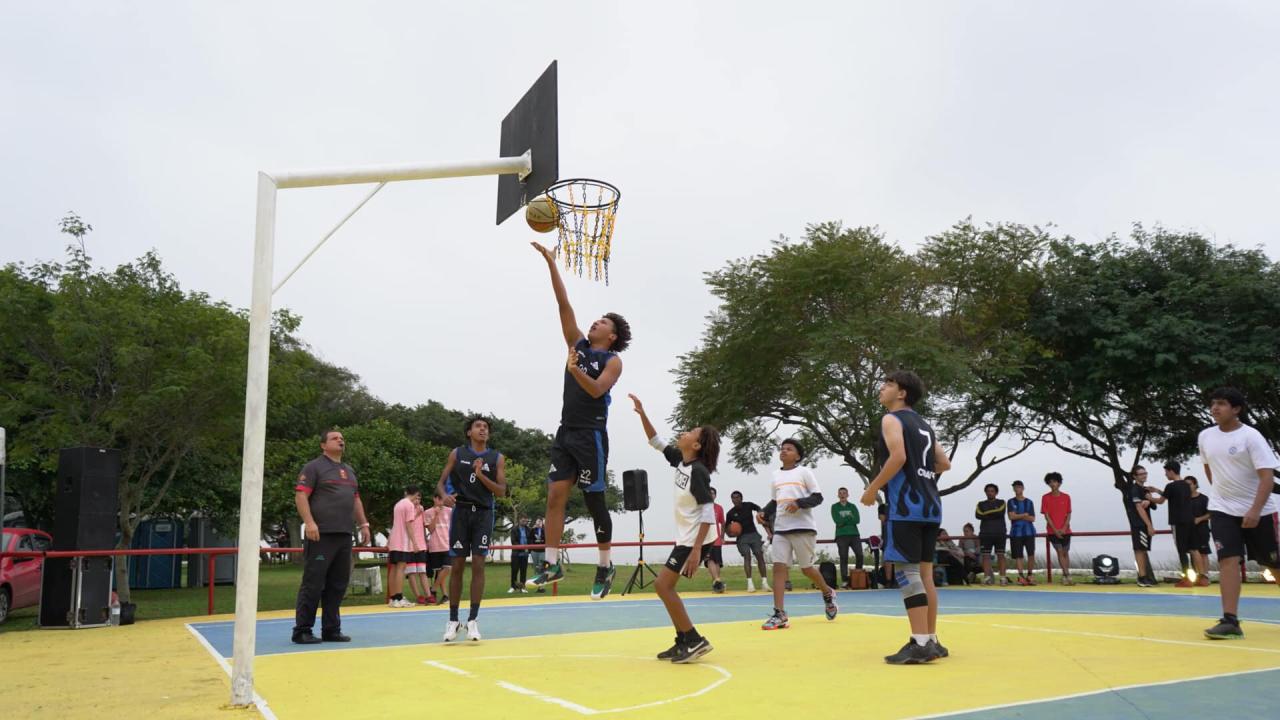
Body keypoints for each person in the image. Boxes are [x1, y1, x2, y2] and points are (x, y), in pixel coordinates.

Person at [525, 242, 631, 601]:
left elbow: (599, 390)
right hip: (566, 432)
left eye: (602, 321)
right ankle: (551, 562)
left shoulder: (611, 360)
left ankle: (605, 566)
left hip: (591, 436)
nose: (594, 322)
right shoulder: (577, 345)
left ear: (611, 335)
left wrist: (575, 371)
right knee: (555, 495)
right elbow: (563, 304)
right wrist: (552, 263)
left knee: (595, 502)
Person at [860, 370, 952, 664]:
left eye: (888, 384)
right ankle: (932, 639)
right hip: (930, 506)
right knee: (926, 575)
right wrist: (922, 475)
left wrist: (873, 488)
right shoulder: (925, 425)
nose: (882, 388)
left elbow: (898, 457)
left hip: (906, 506)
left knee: (906, 572)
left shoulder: (892, 419)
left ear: (901, 393)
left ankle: (920, 642)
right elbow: (944, 463)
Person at [629, 393, 719, 663]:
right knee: (663, 587)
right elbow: (656, 442)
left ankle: (693, 639)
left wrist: (694, 551)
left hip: (694, 539)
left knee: (662, 586)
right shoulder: (682, 462)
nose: (685, 431)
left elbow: (708, 512)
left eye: (692, 431)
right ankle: (682, 641)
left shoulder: (699, 472)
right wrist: (642, 413)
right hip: (687, 538)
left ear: (697, 444)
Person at [1197, 387, 1280, 639]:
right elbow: (1210, 470)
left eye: (1221, 404)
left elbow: (1266, 478)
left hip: (1259, 510)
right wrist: (1222, 497)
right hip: (1222, 509)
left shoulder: (1251, 437)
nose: (1214, 408)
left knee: (1272, 563)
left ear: (1236, 409)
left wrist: (1254, 510)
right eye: (1213, 403)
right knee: (1227, 560)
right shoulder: (1205, 436)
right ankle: (1230, 620)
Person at [291, 429, 372, 645]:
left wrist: (363, 524)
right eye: (335, 438)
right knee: (313, 583)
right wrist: (309, 523)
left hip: (344, 534)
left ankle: (331, 629)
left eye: (342, 438)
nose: (340, 440)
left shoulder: (349, 470)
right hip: (321, 535)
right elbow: (301, 495)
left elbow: (356, 500)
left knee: (338, 584)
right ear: (323, 445)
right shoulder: (313, 467)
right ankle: (302, 630)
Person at [438, 417, 507, 642]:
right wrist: (444, 496)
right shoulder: (457, 454)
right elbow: (440, 483)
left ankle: (473, 621)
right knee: (456, 565)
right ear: (469, 432)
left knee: (478, 564)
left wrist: (480, 476)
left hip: (484, 514)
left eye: (486, 427)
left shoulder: (496, 458)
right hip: (461, 513)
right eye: (478, 426)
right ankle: (453, 620)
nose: (482, 429)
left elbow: (501, 491)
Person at [760, 438, 839, 630]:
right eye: (782, 449)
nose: (784, 451)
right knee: (779, 568)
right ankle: (780, 613)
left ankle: (827, 592)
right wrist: (764, 512)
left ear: (798, 455)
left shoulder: (804, 472)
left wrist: (799, 503)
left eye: (789, 449)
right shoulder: (775, 475)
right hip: (781, 529)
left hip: (803, 528)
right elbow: (774, 501)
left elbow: (817, 497)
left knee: (806, 569)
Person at [1148, 461, 1196, 587]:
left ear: (1171, 471)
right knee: (1192, 549)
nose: (1165, 474)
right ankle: (1198, 576)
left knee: (1181, 550)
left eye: (1166, 472)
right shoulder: (1186, 485)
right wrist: (1157, 490)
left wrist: (1149, 497)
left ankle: (1186, 578)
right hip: (1190, 519)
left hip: (1178, 521)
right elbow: (1169, 495)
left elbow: (1161, 501)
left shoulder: (1171, 486)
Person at [1118, 465, 1158, 587]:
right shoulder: (1134, 489)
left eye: (1145, 473)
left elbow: (1154, 505)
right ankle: (1142, 577)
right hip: (1139, 524)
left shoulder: (1145, 490)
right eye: (1141, 474)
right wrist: (1149, 525)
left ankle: (1144, 576)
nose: (1144, 475)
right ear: (1135, 476)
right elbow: (1139, 508)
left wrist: (1150, 500)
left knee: (1143, 549)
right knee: (1139, 550)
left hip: (1144, 524)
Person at [725, 491, 769, 592]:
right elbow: (727, 527)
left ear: (741, 498)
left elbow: (759, 508)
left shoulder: (748, 505)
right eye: (733, 498)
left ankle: (764, 583)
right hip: (742, 537)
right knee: (747, 555)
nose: (735, 500)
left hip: (753, 534)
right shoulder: (730, 513)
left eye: (737, 497)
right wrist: (730, 534)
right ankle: (750, 583)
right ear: (731, 500)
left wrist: (760, 514)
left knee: (759, 555)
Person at [387, 485, 423, 608]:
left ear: (406, 492)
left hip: (394, 540)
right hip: (402, 541)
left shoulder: (398, 504)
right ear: (416, 493)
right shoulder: (409, 505)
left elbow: (399, 522)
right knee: (400, 569)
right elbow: (409, 525)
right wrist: (415, 542)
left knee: (394, 568)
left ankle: (393, 598)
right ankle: (398, 597)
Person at [1041, 472, 1074, 585]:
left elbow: (1068, 514)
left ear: (1059, 483)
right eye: (1050, 482)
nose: (1052, 484)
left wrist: (1064, 528)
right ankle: (1066, 576)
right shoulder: (1045, 497)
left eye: (1054, 481)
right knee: (1059, 551)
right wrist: (1055, 530)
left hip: (1066, 530)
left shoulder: (1066, 497)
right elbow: (1046, 515)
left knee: (1065, 552)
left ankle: (1066, 574)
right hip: (1052, 531)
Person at [975, 484, 1008, 586]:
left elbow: (1000, 512)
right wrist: (990, 514)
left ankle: (1002, 578)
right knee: (986, 556)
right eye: (988, 491)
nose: (990, 493)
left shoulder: (1002, 502)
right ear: (985, 492)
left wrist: (985, 514)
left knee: (1001, 555)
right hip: (985, 533)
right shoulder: (980, 504)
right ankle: (987, 578)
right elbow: (978, 515)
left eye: (992, 491)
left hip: (1000, 533)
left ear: (996, 492)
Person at [422, 492, 451, 605]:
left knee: (448, 568)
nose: (441, 502)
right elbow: (430, 529)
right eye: (439, 499)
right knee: (439, 571)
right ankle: (445, 596)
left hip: (447, 544)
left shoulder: (449, 511)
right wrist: (436, 515)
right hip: (435, 545)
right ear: (434, 499)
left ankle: (433, 589)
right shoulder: (428, 512)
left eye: (442, 499)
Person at [832, 487, 864, 588]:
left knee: (860, 554)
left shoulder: (852, 506)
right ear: (838, 495)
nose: (842, 495)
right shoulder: (834, 507)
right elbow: (838, 521)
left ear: (847, 495)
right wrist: (849, 517)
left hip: (854, 534)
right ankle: (845, 580)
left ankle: (857, 576)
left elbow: (857, 520)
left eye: (844, 493)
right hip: (841, 536)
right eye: (840, 493)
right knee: (843, 557)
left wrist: (844, 520)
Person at [1007, 481, 1036, 586]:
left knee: (1031, 554)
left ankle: (1030, 575)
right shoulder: (1010, 502)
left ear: (1023, 488)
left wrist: (1017, 515)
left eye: (1019, 487)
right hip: (1016, 533)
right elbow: (1011, 517)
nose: (1017, 489)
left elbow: (1032, 518)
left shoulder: (1029, 502)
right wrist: (1024, 514)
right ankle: (1021, 576)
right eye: (1015, 487)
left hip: (1029, 532)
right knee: (1018, 555)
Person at [1187, 476, 1212, 587]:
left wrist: (1199, 519)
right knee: (1193, 552)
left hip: (1202, 529)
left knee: (1203, 553)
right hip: (1190, 529)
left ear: (1195, 484)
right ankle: (1198, 575)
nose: (1188, 487)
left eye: (1190, 484)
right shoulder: (1184, 500)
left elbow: (1211, 514)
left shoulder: (1204, 499)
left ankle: (1205, 576)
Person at [704, 488, 727, 593]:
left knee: (717, 561)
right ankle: (718, 582)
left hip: (716, 538)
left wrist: (722, 537)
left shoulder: (719, 508)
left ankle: (717, 584)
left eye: (713, 493)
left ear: (715, 495)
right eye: (709, 493)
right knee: (709, 560)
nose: (711, 495)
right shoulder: (702, 507)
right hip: (705, 538)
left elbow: (723, 523)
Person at [509, 518, 532, 593]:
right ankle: (513, 586)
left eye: (526, 521)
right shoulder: (514, 529)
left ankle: (522, 588)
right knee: (514, 570)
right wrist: (523, 548)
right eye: (523, 520)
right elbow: (513, 541)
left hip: (525, 554)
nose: (524, 522)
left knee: (523, 571)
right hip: (516, 553)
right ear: (519, 520)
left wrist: (528, 549)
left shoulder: (529, 529)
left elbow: (531, 540)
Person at [529, 518, 546, 593]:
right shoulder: (533, 530)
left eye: (540, 522)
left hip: (543, 551)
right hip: (534, 551)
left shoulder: (545, 530)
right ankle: (537, 586)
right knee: (536, 568)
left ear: (542, 523)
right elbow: (529, 539)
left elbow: (547, 539)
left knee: (541, 568)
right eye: (537, 521)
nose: (538, 523)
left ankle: (542, 587)